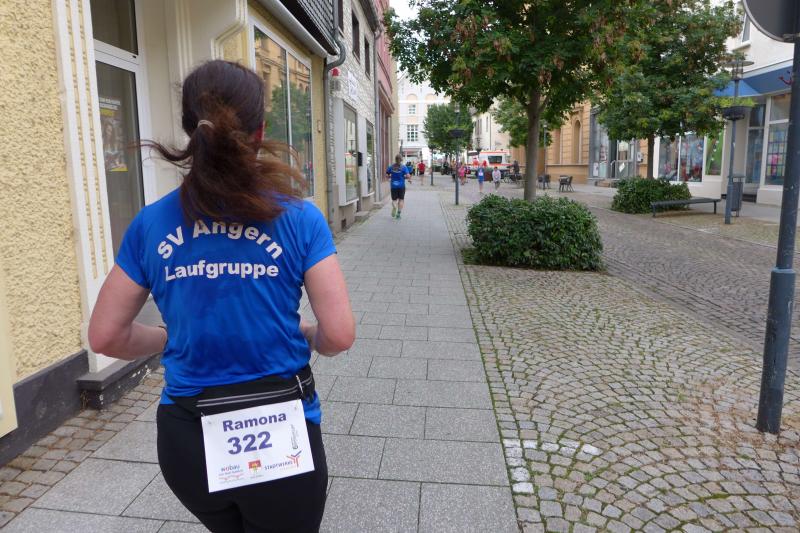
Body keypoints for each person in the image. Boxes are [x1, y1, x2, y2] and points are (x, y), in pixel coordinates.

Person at [87, 60, 355, 533]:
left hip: (187, 439)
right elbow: (339, 335)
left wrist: (167, 338)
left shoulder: (151, 223)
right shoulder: (299, 218)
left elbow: (105, 336)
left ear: (191, 130)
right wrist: (310, 333)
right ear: (260, 131)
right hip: (281, 435)